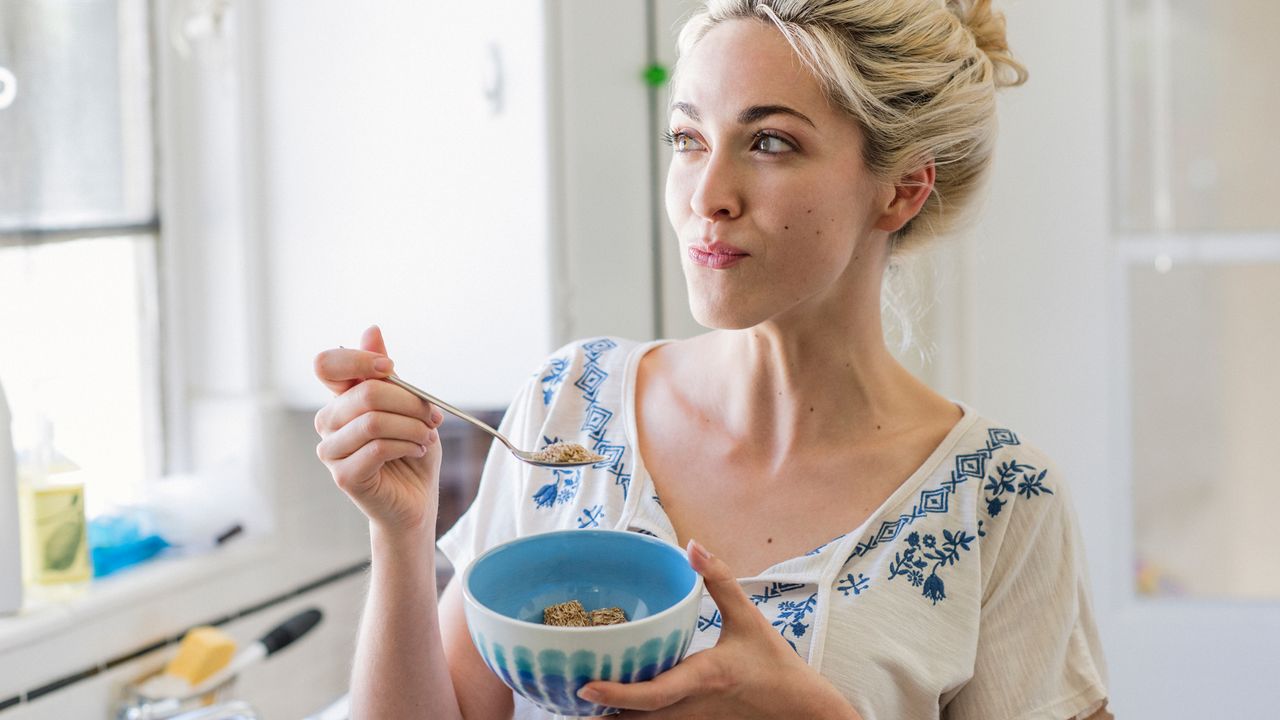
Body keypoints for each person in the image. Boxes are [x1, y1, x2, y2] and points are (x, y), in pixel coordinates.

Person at [312, 0, 1112, 717]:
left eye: (769, 142)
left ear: (900, 189)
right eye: (689, 138)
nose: (707, 194)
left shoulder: (1001, 502)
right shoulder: (570, 401)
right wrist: (402, 536)